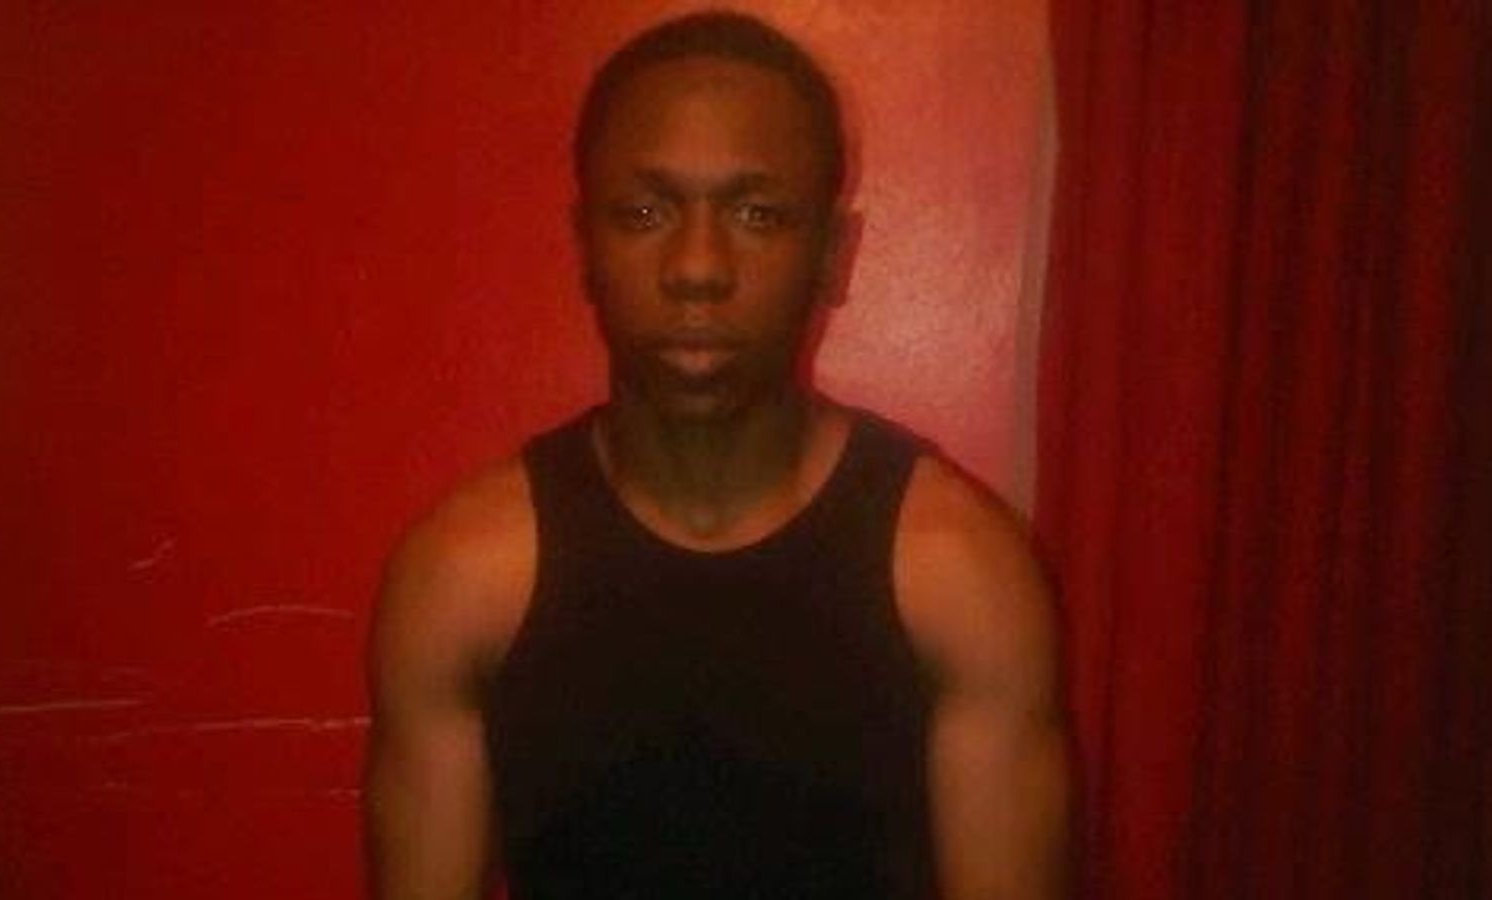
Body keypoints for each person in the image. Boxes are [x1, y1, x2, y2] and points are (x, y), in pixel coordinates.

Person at [365, 11, 1067, 899]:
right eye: (646, 211)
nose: (698, 268)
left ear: (833, 255)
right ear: (585, 245)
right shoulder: (465, 579)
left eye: (757, 213)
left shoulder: (959, 578)